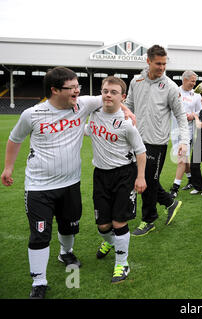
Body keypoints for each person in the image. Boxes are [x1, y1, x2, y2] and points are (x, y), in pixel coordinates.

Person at [0, 67, 135, 298]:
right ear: (54, 90)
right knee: (40, 234)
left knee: (69, 226)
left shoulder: (82, 104)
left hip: (71, 183)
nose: (77, 91)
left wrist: (126, 109)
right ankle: (39, 282)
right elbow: (15, 139)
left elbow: (110, 96)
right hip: (39, 187)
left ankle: (66, 252)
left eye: (77, 86)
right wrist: (8, 167)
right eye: (71, 88)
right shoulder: (31, 114)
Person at [85, 76, 147, 283]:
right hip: (100, 175)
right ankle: (111, 242)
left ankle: (122, 264)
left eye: (113, 92)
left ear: (123, 97)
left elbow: (141, 152)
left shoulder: (127, 123)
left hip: (124, 175)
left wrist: (140, 177)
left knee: (118, 221)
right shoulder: (93, 113)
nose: (108, 95)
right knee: (103, 225)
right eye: (105, 91)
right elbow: (86, 129)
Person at [125, 45, 186, 236]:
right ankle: (169, 202)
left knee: (149, 182)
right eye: (158, 63)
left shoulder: (170, 86)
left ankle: (148, 220)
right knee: (145, 179)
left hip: (156, 141)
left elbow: (181, 116)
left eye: (164, 64)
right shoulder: (136, 81)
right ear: (148, 61)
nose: (161, 67)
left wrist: (184, 140)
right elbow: (128, 106)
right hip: (136, 139)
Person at [169, 70, 202, 197]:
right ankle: (191, 179)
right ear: (184, 80)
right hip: (174, 130)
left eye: (195, 81)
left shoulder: (196, 96)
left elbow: (200, 111)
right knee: (185, 158)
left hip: (188, 132)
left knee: (181, 158)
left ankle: (175, 188)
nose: (194, 84)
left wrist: (193, 115)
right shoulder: (174, 91)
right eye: (192, 81)